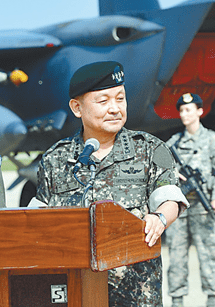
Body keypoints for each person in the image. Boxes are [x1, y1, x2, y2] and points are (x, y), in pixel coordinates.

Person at [31, 61, 189, 307]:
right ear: (77, 107)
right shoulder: (56, 158)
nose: (115, 109)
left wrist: (159, 218)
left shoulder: (149, 149)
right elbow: (37, 216)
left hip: (135, 292)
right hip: (74, 290)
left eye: (120, 99)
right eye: (103, 101)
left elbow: (170, 197)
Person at [165, 93, 215, 307]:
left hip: (204, 209)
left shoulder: (211, 140)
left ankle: (212, 299)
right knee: (176, 258)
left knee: (209, 256)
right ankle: (177, 300)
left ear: (200, 111)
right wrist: (175, 175)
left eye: (189, 110)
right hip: (179, 210)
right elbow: (158, 167)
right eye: (182, 110)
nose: (184, 114)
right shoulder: (174, 143)